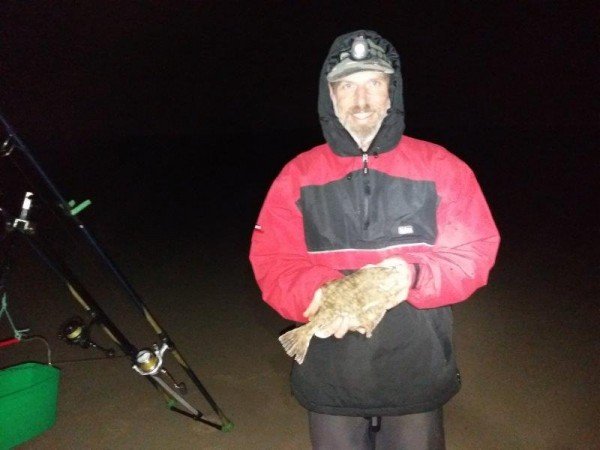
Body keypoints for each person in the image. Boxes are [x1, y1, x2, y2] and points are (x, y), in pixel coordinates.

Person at [249, 30, 500, 449]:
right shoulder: (298, 174)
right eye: (347, 85)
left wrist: (415, 274)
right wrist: (318, 293)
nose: (361, 100)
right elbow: (272, 261)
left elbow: (474, 253)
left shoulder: (443, 167)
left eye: (373, 83)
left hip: (416, 371)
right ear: (330, 95)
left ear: (391, 93)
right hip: (330, 376)